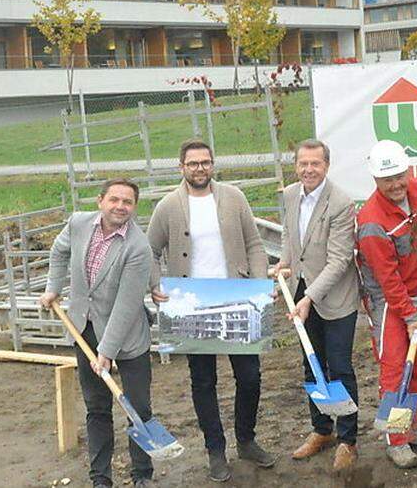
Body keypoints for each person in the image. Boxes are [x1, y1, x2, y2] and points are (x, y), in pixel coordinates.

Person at [147, 140, 274, 483]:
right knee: (203, 381)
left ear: (213, 165)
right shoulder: (169, 206)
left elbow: (254, 244)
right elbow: (150, 250)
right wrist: (158, 286)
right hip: (191, 305)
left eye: (205, 162)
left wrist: (258, 286)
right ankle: (215, 449)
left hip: (237, 297)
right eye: (192, 163)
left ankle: (246, 439)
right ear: (181, 167)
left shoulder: (234, 198)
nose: (199, 168)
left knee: (250, 376)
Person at [39, 179, 156, 488]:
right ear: (100, 200)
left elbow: (127, 305)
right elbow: (59, 251)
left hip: (128, 337)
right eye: (114, 199)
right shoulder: (78, 223)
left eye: (127, 202)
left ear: (134, 207)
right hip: (85, 328)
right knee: (97, 407)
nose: (120, 206)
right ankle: (100, 478)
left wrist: (107, 352)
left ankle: (142, 474)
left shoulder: (138, 247)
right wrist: (53, 288)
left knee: (138, 408)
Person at [267, 139, 361, 471]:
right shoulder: (291, 195)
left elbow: (338, 262)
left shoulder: (341, 203)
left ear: (326, 166)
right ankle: (322, 429)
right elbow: (289, 237)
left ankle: (348, 439)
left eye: (315, 164)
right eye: (303, 163)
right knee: (312, 364)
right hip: (301, 291)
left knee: (339, 367)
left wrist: (309, 297)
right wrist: (283, 263)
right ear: (296, 166)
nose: (309, 169)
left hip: (335, 297)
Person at [355, 139, 417, 469]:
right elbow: (388, 279)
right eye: (387, 179)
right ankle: (396, 439)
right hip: (390, 304)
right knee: (397, 370)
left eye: (399, 176)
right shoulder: (372, 222)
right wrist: (408, 316)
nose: (396, 185)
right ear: (375, 181)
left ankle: (414, 427)